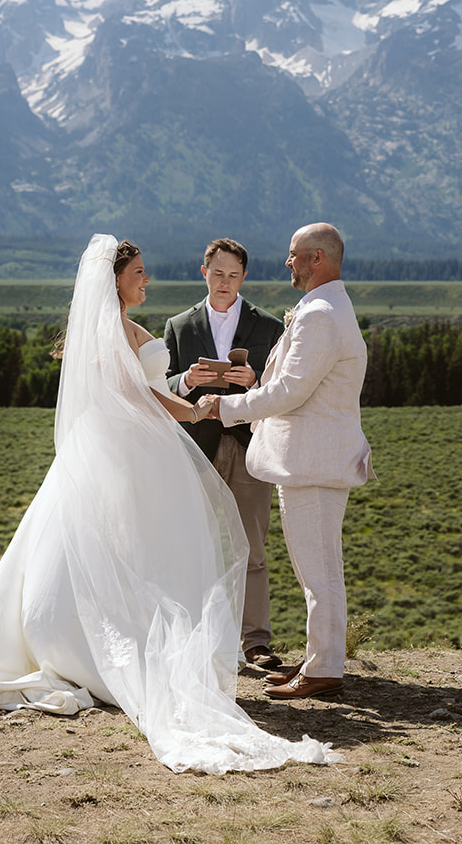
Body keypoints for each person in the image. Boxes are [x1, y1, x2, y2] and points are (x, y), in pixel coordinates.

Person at [0, 235, 337, 774]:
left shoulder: (127, 328)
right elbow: (137, 393)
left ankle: (123, 638)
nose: (147, 279)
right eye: (139, 272)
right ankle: (86, 647)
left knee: (139, 553)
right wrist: (193, 411)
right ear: (115, 279)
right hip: (124, 456)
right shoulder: (111, 332)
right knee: (111, 547)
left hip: (143, 454)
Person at [196, 223, 371, 701]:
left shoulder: (319, 314)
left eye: (294, 256)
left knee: (318, 572)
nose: (288, 263)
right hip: (317, 458)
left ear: (317, 258)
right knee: (321, 569)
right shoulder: (330, 305)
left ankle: (324, 669)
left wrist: (224, 405)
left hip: (311, 461)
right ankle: (321, 659)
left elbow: (290, 391)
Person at [164, 238, 286, 669]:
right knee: (192, 543)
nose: (225, 282)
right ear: (204, 272)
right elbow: (161, 386)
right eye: (218, 274)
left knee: (252, 547)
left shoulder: (270, 328)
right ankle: (193, 637)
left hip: (249, 448)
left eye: (233, 275)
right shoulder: (178, 326)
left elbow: (283, 391)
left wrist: (254, 380)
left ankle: (255, 642)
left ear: (244, 277)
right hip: (196, 448)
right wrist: (186, 380)